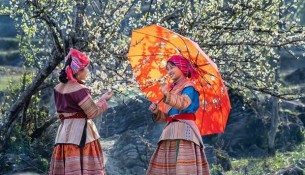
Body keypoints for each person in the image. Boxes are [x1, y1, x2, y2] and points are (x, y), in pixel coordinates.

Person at [49, 48, 112, 175]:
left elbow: (60, 113)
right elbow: (92, 113)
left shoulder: (58, 88)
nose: (88, 71)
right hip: (82, 137)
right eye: (85, 68)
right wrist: (103, 100)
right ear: (78, 72)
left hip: (63, 136)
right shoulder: (80, 89)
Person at [146, 55, 210, 175]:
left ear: (182, 66)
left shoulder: (189, 87)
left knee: (183, 168)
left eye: (172, 67)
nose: (169, 72)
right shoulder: (172, 89)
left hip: (184, 132)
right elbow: (168, 116)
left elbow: (183, 103)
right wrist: (157, 112)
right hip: (169, 132)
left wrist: (166, 94)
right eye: (168, 69)